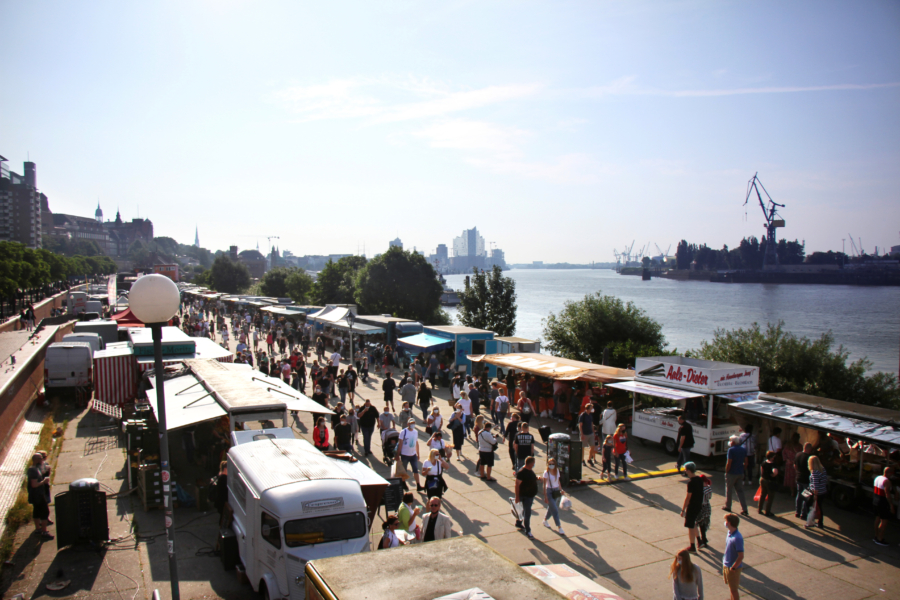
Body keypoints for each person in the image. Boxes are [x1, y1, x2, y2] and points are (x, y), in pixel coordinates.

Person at [27, 453, 53, 539]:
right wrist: (44, 481)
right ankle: (44, 531)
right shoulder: (33, 471)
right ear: (36, 460)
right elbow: (34, 485)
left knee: (37, 511)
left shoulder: (35, 469)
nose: (42, 460)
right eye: (41, 458)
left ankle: (38, 529)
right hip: (38, 495)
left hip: (35, 495)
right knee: (45, 512)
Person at [515, 456, 540, 539]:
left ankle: (518, 523)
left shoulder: (530, 471)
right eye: (534, 463)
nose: (534, 464)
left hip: (530, 495)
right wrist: (517, 497)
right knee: (527, 513)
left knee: (522, 510)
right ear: (531, 463)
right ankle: (528, 530)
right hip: (525, 496)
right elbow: (517, 484)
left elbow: (530, 479)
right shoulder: (522, 472)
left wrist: (536, 478)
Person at [680, 462, 703, 552]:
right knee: (694, 524)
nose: (685, 471)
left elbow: (688, 497)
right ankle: (699, 541)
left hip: (692, 506)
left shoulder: (691, 483)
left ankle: (692, 546)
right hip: (698, 505)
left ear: (689, 470)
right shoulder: (699, 479)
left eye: (685, 469)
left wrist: (683, 509)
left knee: (690, 525)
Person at [723, 435, 749, 515]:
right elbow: (746, 462)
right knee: (740, 491)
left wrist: (727, 471)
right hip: (740, 472)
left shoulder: (731, 450)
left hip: (732, 473)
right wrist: (743, 469)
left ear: (733, 442)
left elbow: (729, 462)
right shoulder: (743, 449)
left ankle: (728, 506)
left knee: (729, 490)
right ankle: (744, 509)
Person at [397, 419, 423, 492]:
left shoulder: (415, 432)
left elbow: (416, 443)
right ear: (408, 424)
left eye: (414, 423)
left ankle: (418, 485)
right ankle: (403, 483)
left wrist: (418, 453)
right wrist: (398, 454)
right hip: (405, 454)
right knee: (404, 470)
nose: (413, 425)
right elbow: (400, 443)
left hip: (413, 454)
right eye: (411, 423)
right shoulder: (403, 432)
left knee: (416, 470)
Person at [723, 513, 744, 600]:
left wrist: (734, 567)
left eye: (726, 521)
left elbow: (741, 556)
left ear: (730, 523)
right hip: (727, 565)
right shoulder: (729, 533)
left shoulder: (737, 538)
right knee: (731, 589)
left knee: (734, 590)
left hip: (733, 568)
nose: (725, 523)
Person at [542, 458, 565, 535]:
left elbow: (558, 481)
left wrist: (561, 490)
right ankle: (559, 527)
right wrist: (545, 496)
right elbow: (544, 485)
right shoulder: (546, 473)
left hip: (556, 491)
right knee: (555, 509)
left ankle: (545, 520)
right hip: (549, 491)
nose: (551, 465)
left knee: (551, 508)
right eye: (550, 464)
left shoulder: (557, 471)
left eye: (552, 464)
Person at [873, 467, 895, 546]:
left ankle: (876, 536)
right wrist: (891, 505)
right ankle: (880, 538)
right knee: (884, 521)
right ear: (890, 473)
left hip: (875, 500)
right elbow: (887, 494)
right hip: (883, 502)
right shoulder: (887, 481)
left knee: (877, 518)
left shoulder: (877, 478)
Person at [806, 455, 828, 529]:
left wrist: (815, 495)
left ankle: (810, 520)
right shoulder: (823, 469)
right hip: (823, 491)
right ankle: (820, 522)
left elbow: (815, 485)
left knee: (808, 504)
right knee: (819, 507)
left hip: (814, 491)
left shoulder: (814, 472)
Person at [795, 442, 812, 519]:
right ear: (810, 449)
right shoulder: (809, 458)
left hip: (799, 478)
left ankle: (797, 512)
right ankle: (803, 513)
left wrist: (798, 472)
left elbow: (795, 466)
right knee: (806, 497)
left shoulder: (798, 454)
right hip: (806, 480)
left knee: (799, 495)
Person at [758, 451, 779, 516]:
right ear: (772, 457)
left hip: (763, 480)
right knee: (770, 497)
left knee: (762, 495)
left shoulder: (764, 463)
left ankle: (759, 509)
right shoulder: (773, 464)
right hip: (770, 482)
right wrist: (773, 475)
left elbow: (762, 472)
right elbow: (775, 472)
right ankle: (767, 511)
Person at [696, 473, 713, 549]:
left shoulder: (701, 489)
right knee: (704, 523)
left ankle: (703, 539)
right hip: (707, 507)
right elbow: (709, 497)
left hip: (701, 507)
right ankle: (704, 538)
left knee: (700, 523)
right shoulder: (709, 488)